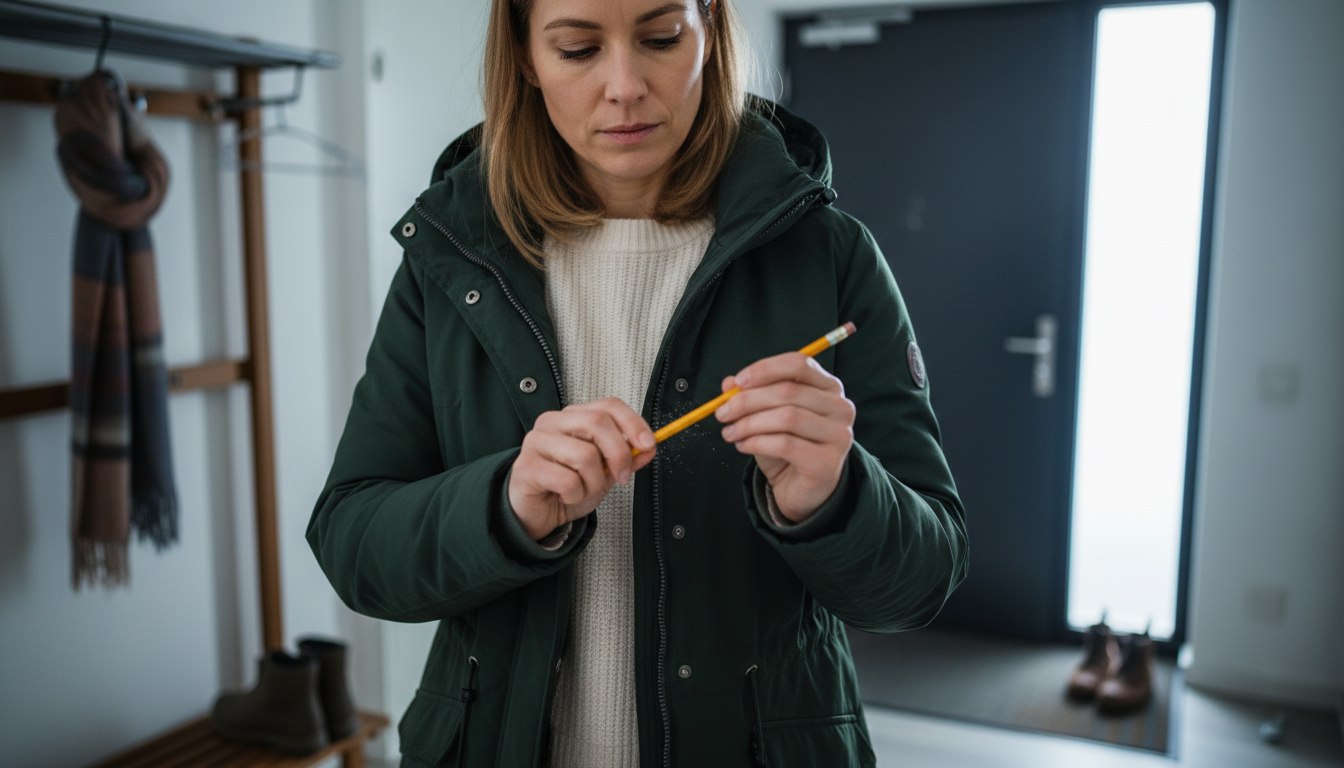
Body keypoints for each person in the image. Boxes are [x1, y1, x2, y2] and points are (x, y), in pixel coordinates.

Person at [307, 0, 968, 765]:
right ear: (524, 57)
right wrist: (504, 507)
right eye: (579, 49)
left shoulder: (829, 254)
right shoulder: (449, 260)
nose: (625, 85)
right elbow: (354, 545)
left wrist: (832, 496)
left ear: (711, 28)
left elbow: (921, 585)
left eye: (660, 38)